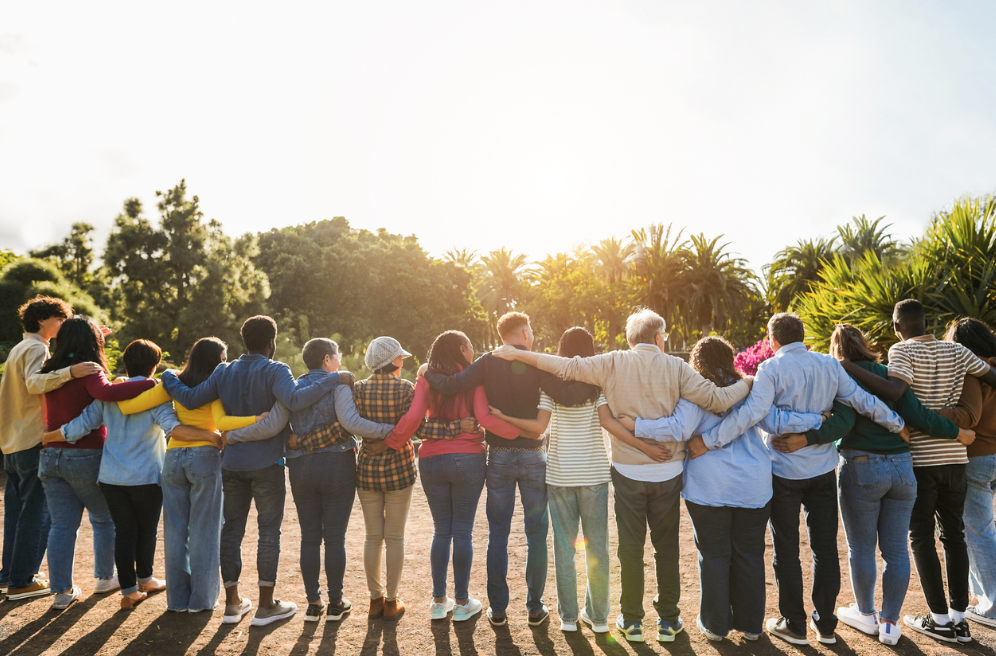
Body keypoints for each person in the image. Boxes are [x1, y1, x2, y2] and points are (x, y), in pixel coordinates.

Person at [492, 309, 753, 643]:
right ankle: (669, 622)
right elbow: (718, 399)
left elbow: (568, 366)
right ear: (659, 338)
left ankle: (629, 621)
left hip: (626, 471)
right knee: (666, 549)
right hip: (667, 471)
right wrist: (747, 382)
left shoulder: (612, 362)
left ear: (631, 339)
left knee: (629, 550)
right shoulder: (677, 367)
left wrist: (519, 354)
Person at [687, 314, 905, 646]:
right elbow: (863, 401)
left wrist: (710, 441)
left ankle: (795, 624)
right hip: (822, 471)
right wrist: (895, 422)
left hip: (783, 472)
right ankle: (827, 625)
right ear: (802, 336)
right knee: (825, 548)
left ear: (772, 340)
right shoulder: (830, 366)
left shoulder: (770, 370)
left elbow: (754, 416)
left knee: (787, 550)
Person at [620, 336, 823, 642]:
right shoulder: (751, 388)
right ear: (730, 359)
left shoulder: (695, 391)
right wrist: (818, 419)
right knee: (750, 555)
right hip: (753, 485)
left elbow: (678, 428)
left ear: (696, 361)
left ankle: (715, 626)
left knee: (713, 556)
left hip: (708, 487)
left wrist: (637, 425)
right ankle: (752, 626)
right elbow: (774, 420)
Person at [782, 324, 973, 645]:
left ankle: (866, 613)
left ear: (837, 351)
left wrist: (808, 437)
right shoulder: (890, 374)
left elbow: (843, 422)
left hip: (861, 468)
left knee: (861, 547)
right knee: (896, 549)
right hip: (902, 468)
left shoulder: (842, 376)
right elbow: (921, 416)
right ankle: (889, 624)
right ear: (865, 345)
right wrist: (958, 433)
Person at [161, 315, 352, 626]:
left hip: (232, 463)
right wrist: (335, 378)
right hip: (267, 464)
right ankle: (266, 605)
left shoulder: (224, 370)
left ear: (244, 341)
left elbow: (191, 397)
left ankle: (233, 604)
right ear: (271, 342)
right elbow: (294, 398)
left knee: (231, 530)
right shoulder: (276, 370)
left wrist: (168, 376)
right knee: (268, 533)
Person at [422, 312, 597, 627]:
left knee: (498, 534)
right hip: (533, 456)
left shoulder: (487, 362)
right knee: (536, 534)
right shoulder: (536, 362)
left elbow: (451, 385)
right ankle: (534, 607)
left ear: (501, 334)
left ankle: (498, 609)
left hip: (499, 456)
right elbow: (566, 394)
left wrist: (426, 372)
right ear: (526, 332)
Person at [842, 300, 996, 644]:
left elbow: (897, 392)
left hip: (922, 460)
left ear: (898, 327)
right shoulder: (957, 350)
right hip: (957, 458)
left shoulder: (901, 351)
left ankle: (939, 620)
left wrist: (848, 368)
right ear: (928, 322)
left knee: (922, 539)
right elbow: (991, 377)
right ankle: (959, 620)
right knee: (954, 535)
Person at [492, 327, 663, 634]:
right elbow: (608, 422)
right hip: (594, 476)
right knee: (598, 549)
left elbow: (539, 428)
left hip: (559, 476)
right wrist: (646, 445)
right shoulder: (597, 385)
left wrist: (502, 418)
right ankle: (598, 619)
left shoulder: (549, 386)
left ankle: (569, 619)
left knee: (564, 550)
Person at [42, 339, 225, 609]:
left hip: (111, 476)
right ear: (154, 366)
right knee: (147, 531)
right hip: (146, 476)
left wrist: (48, 437)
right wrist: (213, 437)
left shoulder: (109, 394)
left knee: (124, 531)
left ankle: (128, 590)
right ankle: (146, 579)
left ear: (126, 363)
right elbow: (173, 428)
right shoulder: (154, 395)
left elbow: (81, 425)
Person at [116, 336, 262, 613]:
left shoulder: (173, 383)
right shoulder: (216, 386)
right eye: (223, 356)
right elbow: (221, 423)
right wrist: (256, 419)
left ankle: (178, 601)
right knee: (205, 532)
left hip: (172, 459)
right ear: (216, 358)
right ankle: (202, 601)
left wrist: (116, 387)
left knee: (175, 531)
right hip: (205, 458)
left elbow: (128, 406)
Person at [388, 331, 526, 622]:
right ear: (463, 349)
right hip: (468, 458)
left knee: (441, 531)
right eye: (471, 346)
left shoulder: (426, 378)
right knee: (462, 532)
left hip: (430, 460)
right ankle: (463, 603)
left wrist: (393, 440)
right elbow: (486, 419)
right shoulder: (473, 379)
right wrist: (524, 432)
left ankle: (439, 602)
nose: (473, 351)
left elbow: (414, 418)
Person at [37, 317, 156, 607]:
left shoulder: (52, 370)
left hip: (51, 455)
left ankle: (62, 593)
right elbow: (107, 393)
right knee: (105, 519)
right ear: (93, 343)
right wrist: (154, 383)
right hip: (83, 453)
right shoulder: (90, 370)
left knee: (62, 526)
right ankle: (105, 578)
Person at [283, 338, 396, 623]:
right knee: (334, 538)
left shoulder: (293, 388)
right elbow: (351, 423)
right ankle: (335, 603)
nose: (340, 361)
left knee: (309, 537)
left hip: (300, 468)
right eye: (337, 356)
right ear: (326, 360)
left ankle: (313, 604)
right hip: (335, 464)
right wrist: (389, 430)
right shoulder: (339, 385)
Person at [0, 297, 100, 601]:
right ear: (44, 320)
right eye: (61, 319)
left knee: (16, 513)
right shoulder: (36, 348)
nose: (64, 325)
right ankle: (22, 580)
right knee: (37, 513)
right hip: (32, 440)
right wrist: (72, 372)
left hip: (12, 441)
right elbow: (34, 383)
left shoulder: (19, 348)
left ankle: (10, 575)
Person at [934, 318, 996, 630]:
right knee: (983, 529)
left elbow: (969, 417)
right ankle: (981, 595)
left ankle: (992, 604)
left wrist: (924, 410)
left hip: (978, 458)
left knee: (978, 530)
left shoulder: (971, 371)